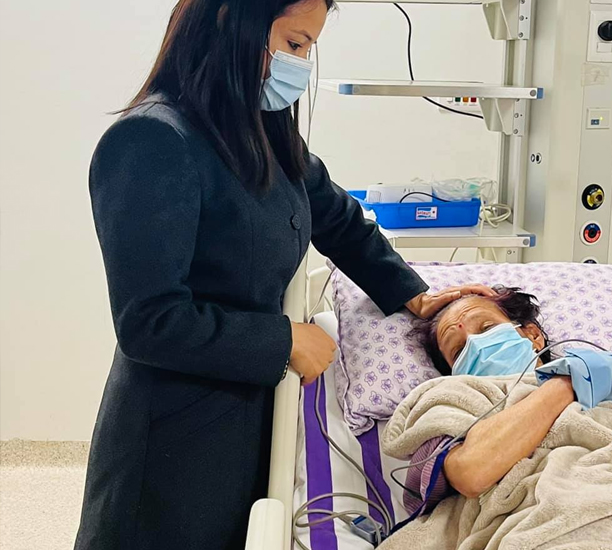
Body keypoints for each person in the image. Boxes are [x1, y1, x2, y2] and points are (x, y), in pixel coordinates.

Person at [74, 1, 491, 548]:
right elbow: (149, 322)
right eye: (294, 44)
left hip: (249, 410)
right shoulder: (152, 140)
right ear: (233, 23)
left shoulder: (260, 127)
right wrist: (285, 340)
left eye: (308, 49)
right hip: (172, 433)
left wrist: (414, 295)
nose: (300, 65)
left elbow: (337, 218)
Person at [404, 286, 577, 514]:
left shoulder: (601, 371)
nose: (476, 346)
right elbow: (471, 472)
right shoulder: (448, 405)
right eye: (459, 351)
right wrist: (564, 386)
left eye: (487, 328)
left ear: (533, 336)